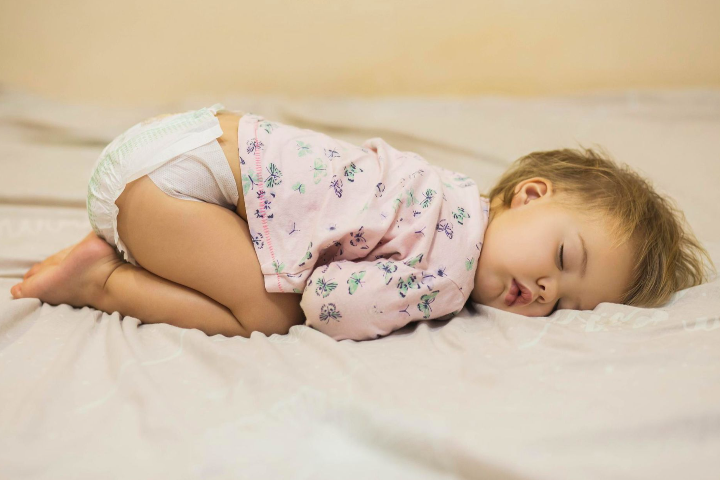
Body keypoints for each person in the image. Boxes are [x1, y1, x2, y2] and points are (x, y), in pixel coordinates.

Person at [9, 104, 716, 341]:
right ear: (529, 195)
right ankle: (100, 281)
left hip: (184, 139)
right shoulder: (447, 269)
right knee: (269, 314)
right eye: (563, 258)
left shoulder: (446, 191)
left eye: (566, 303)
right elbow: (326, 304)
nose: (546, 290)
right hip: (171, 188)